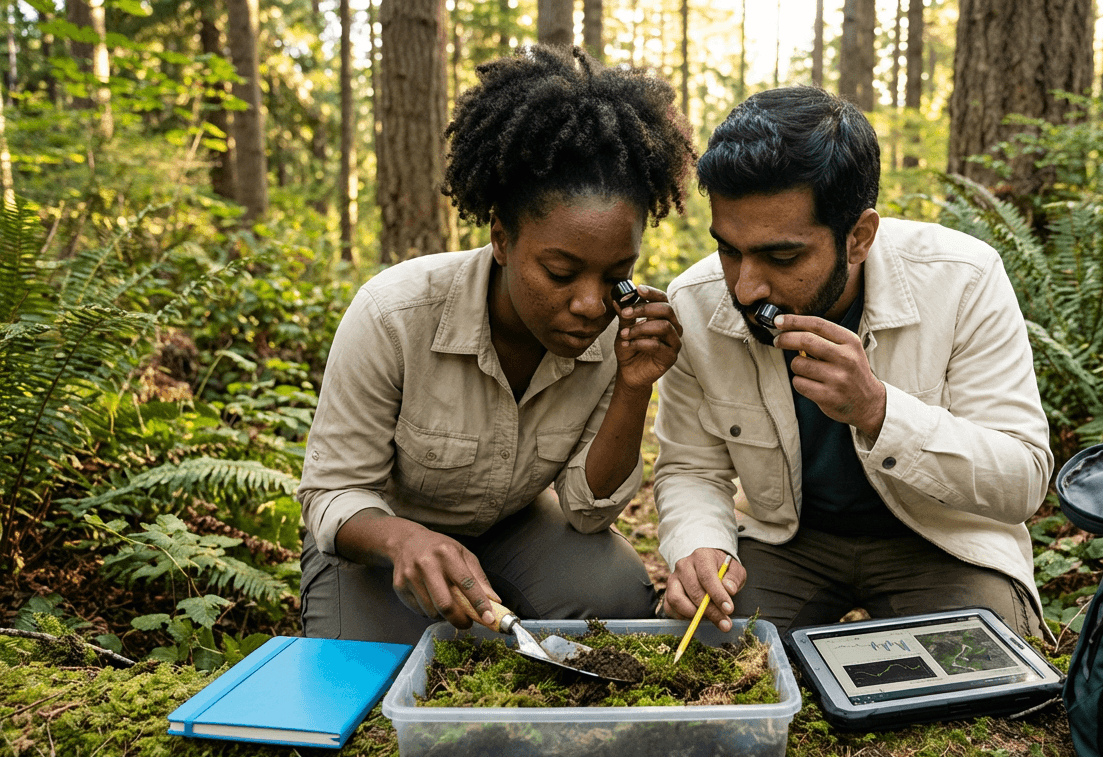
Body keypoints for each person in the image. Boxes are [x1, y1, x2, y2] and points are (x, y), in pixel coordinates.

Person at [297, 45, 695, 645]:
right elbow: (331, 491)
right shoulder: (394, 315)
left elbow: (587, 511)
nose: (591, 304)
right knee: (364, 681)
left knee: (616, 606)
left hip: (516, 526)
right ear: (502, 238)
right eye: (560, 273)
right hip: (382, 539)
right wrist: (404, 540)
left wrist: (634, 388)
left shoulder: (621, 329)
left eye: (615, 274)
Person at [652, 86, 1052, 637]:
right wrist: (702, 545)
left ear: (859, 237)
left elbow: (1023, 481)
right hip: (784, 542)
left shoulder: (964, 278)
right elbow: (690, 468)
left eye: (782, 255)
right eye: (728, 248)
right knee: (702, 650)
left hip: (940, 543)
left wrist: (878, 410)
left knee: (982, 673)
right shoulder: (696, 301)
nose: (745, 288)